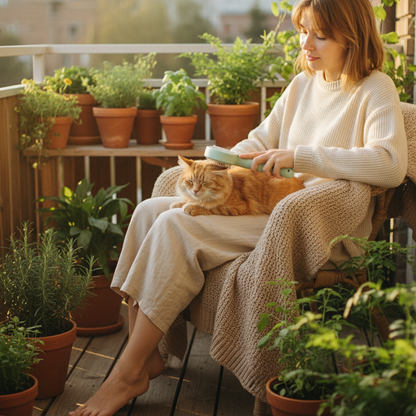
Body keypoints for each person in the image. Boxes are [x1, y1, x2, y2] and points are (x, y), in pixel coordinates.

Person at [69, 0, 407, 414]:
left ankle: (127, 374)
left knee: (176, 226)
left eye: (320, 34)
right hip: (271, 208)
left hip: (312, 223)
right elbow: (261, 142)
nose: (306, 43)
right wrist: (223, 160)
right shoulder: (304, 84)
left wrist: (301, 156)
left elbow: (390, 165)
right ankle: (145, 354)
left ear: (351, 36)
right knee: (147, 212)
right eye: (303, 30)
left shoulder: (375, 88)